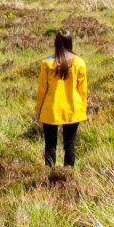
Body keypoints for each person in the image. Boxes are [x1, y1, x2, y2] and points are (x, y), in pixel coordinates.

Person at [35, 29, 88, 167]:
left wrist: (38, 110)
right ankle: (67, 175)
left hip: (51, 109)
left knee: (50, 143)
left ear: (56, 43)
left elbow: (42, 90)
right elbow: (83, 90)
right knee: (70, 143)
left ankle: (48, 173)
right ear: (70, 42)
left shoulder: (46, 63)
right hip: (73, 109)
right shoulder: (80, 63)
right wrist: (83, 109)